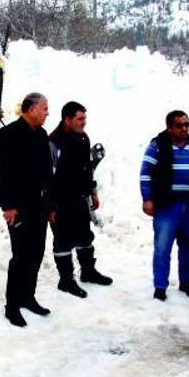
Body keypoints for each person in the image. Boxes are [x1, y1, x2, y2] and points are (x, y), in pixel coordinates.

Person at [0, 92, 53, 327]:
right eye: (45, 108)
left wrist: (51, 205)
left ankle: (28, 297)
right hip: (18, 207)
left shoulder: (41, 134)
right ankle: (12, 306)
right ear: (31, 109)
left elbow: (47, 173)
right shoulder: (8, 134)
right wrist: (8, 206)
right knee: (20, 256)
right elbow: (4, 172)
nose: (48, 113)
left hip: (39, 206)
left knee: (36, 253)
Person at [140, 110, 189, 301]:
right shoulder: (158, 145)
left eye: (187, 125)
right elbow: (146, 172)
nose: (184, 129)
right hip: (167, 205)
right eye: (179, 125)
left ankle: (187, 282)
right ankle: (160, 286)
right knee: (162, 247)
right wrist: (147, 198)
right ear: (169, 127)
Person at [48, 101, 113, 299]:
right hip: (60, 202)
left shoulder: (83, 138)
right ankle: (66, 280)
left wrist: (92, 192)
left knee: (85, 235)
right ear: (67, 120)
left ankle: (88, 271)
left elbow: (88, 169)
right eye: (80, 118)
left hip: (80, 198)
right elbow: (47, 177)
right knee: (63, 240)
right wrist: (50, 206)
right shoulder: (53, 142)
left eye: (85, 118)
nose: (84, 122)